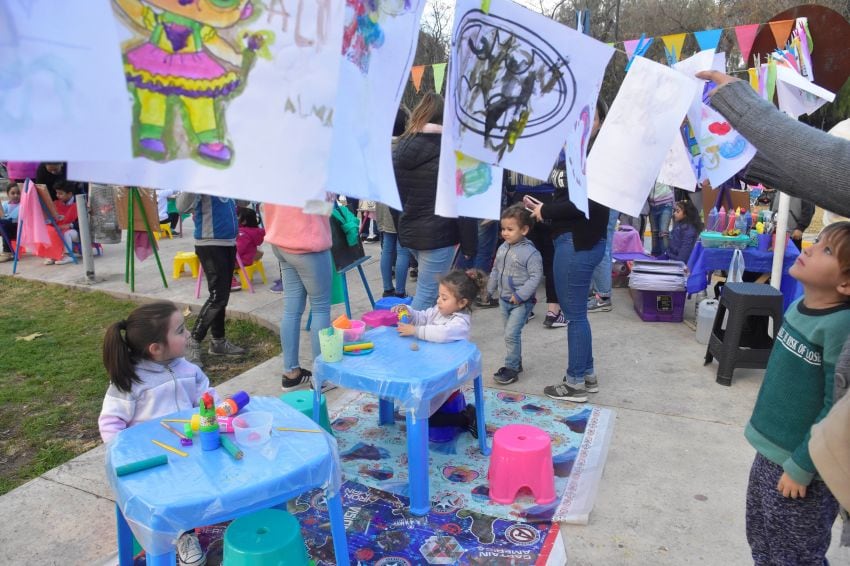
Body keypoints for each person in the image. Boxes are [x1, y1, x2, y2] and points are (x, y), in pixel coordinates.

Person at [742, 221, 850, 564]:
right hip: (768, 454)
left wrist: (803, 465)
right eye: (817, 242)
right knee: (761, 540)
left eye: (827, 250)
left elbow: (837, 410)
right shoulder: (797, 306)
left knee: (796, 555)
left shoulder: (840, 328)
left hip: (804, 467)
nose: (808, 249)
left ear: (846, 282)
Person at [98, 301, 215, 566]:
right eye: (180, 331)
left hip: (188, 449)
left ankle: (199, 517)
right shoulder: (131, 382)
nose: (187, 335)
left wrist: (214, 408)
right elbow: (110, 422)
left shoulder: (188, 369)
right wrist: (125, 454)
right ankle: (180, 535)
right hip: (152, 463)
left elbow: (205, 396)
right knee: (172, 499)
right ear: (156, 349)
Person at [526, 99, 610, 403]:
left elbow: (582, 204)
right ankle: (587, 374)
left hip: (579, 242)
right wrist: (544, 210)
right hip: (573, 240)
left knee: (574, 315)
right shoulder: (573, 152)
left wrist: (546, 209)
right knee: (577, 315)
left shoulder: (598, 155)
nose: (583, 123)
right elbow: (570, 196)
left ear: (600, 122)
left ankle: (574, 384)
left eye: (592, 118)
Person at [393, 92, 477, 310]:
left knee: (432, 293)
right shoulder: (450, 152)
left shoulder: (400, 147)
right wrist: (470, 244)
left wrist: (401, 232)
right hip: (437, 235)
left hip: (411, 231)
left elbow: (394, 198)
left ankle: (430, 336)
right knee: (428, 296)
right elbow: (462, 202)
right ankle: (411, 340)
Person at [390, 269, 487, 434]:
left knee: (425, 418)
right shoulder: (438, 310)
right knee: (410, 397)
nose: (439, 301)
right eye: (439, 296)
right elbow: (422, 316)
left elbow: (442, 333)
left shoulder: (460, 322)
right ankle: (413, 411)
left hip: (447, 376)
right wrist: (407, 310)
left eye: (444, 298)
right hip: (432, 368)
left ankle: (465, 419)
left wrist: (415, 330)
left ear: (462, 303)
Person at [263, 201, 333, 389]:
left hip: (280, 243)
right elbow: (325, 207)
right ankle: (321, 377)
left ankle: (291, 372)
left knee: (291, 310)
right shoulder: (312, 173)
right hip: (307, 245)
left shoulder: (273, 171)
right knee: (320, 308)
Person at [177, 193, 245, 367]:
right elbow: (181, 206)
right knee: (217, 296)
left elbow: (244, 201)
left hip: (228, 243)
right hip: (210, 244)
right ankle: (192, 341)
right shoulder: (202, 180)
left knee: (222, 297)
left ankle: (218, 341)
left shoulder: (227, 180)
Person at [483, 205, 543, 385]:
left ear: (524, 230)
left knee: (511, 334)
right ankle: (516, 362)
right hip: (504, 300)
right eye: (503, 229)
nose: (505, 233)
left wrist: (521, 295)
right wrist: (489, 290)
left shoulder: (531, 253)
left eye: (510, 229)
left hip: (521, 302)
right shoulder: (502, 248)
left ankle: (511, 368)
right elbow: (495, 270)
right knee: (510, 334)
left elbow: (535, 277)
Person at [505, 170, 564, 327]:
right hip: (549, 199)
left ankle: (524, 309)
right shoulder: (557, 148)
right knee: (552, 260)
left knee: (523, 258)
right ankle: (553, 311)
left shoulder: (518, 145)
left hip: (522, 199)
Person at [587, 208, 620, 313]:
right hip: (609, 200)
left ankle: (602, 296)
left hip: (604, 200)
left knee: (601, 246)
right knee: (605, 246)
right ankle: (601, 294)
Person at [45, 182, 80, 265]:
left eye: (60, 193)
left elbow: (85, 222)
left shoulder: (80, 202)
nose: (57, 195)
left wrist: (69, 225)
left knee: (66, 233)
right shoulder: (56, 203)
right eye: (57, 193)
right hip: (61, 229)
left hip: (78, 231)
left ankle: (68, 255)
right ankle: (54, 254)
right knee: (50, 231)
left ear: (69, 194)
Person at [665, 199, 703, 263]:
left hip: (677, 262)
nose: (674, 214)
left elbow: (683, 255)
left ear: (686, 214)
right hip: (671, 257)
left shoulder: (689, 230)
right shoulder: (679, 224)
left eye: (677, 211)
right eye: (675, 211)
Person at [647, 180, 674, 257]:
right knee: (654, 232)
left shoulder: (664, 168)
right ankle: (655, 255)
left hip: (666, 203)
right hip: (652, 205)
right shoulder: (648, 170)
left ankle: (666, 255)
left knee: (663, 231)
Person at [1, 182, 20, 261]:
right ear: (8, 194)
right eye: (13, 193)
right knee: (3, 224)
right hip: (6, 227)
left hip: (17, 230)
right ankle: (7, 251)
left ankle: (7, 252)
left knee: (4, 223)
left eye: (18, 193)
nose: (15, 195)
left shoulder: (22, 205)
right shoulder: (5, 204)